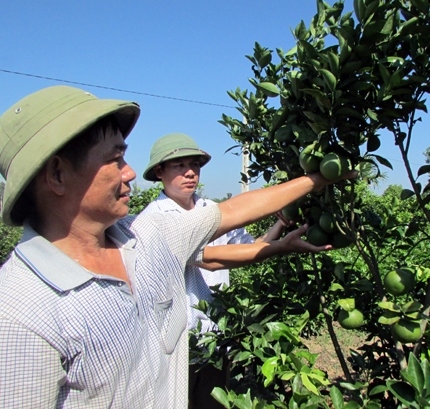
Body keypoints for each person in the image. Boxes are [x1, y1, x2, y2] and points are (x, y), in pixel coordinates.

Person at [0, 85, 355, 408]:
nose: (130, 173)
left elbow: (232, 212)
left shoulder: (147, 234)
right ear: (58, 175)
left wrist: (318, 179)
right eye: (115, 159)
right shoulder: (20, 312)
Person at [141, 133, 292, 409]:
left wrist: (280, 226)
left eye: (195, 165)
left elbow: (250, 248)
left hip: (216, 340)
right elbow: (212, 260)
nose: (190, 172)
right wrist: (284, 247)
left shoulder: (212, 211)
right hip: (176, 347)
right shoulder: (154, 219)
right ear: (159, 172)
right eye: (179, 166)